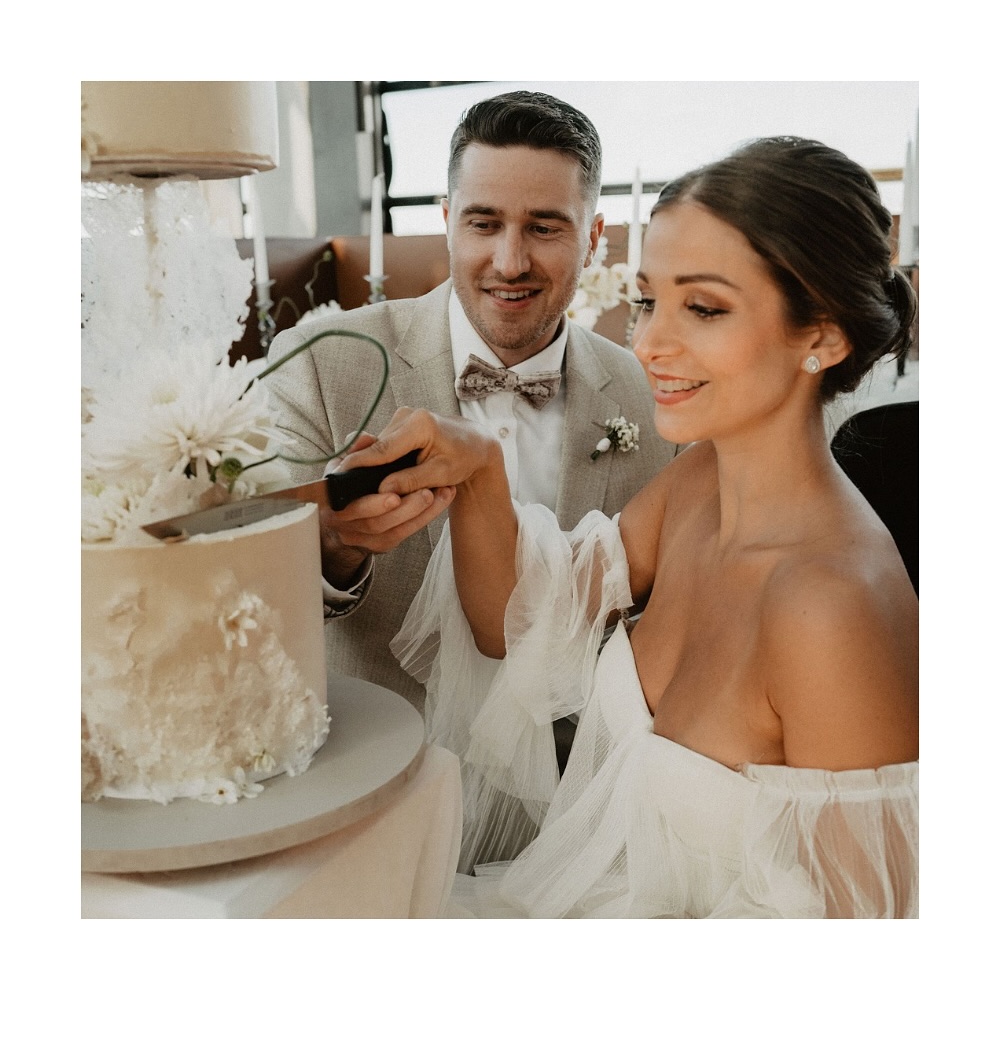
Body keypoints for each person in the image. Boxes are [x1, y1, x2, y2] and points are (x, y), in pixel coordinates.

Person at [342, 136, 920, 917]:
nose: (647, 343)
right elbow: (519, 623)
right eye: (650, 300)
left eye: (705, 307)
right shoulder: (696, 485)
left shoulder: (832, 608)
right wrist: (480, 467)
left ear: (822, 333)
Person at [265, 91, 676, 712]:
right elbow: (255, 594)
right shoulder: (320, 363)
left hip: (576, 784)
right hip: (385, 763)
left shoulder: (654, 399)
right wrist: (334, 543)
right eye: (484, 224)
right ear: (448, 221)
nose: (510, 263)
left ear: (593, 238)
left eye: (544, 227)